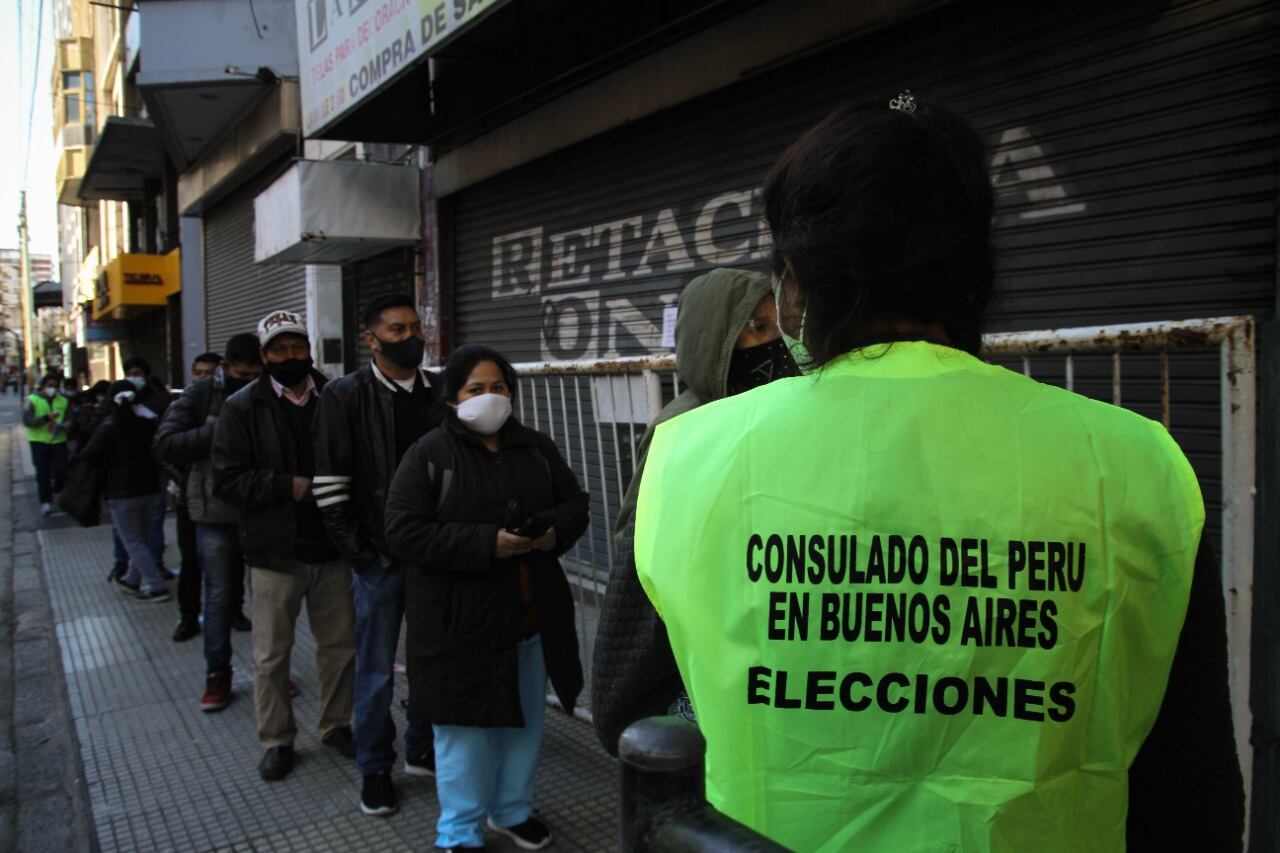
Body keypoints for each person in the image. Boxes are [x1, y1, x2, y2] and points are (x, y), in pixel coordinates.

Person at [631, 95, 1243, 851]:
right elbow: (1192, 789)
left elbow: (630, 709)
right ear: (977, 272)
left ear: (795, 286)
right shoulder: (1133, 463)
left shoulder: (689, 457)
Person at [385, 344, 589, 853]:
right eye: (475, 388)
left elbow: (575, 504)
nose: (489, 396)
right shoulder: (428, 455)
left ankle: (512, 810)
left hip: (530, 620)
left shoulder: (536, 448)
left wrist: (551, 533)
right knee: (464, 734)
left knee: (525, 725)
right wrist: (485, 543)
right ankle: (459, 830)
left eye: (498, 387)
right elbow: (403, 530)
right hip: (459, 628)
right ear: (452, 398)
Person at [592, 267, 800, 753]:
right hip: (702, 645)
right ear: (713, 339)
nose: (775, 345)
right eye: (756, 329)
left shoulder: (780, 412)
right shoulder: (683, 426)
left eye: (779, 327)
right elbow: (639, 544)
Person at [312, 294, 446, 816]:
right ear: (371, 339)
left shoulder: (440, 391)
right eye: (396, 329)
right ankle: (374, 767)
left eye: (415, 326)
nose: (411, 337)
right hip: (380, 560)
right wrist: (362, 555)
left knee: (432, 660)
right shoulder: (345, 395)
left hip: (434, 555)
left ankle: (422, 747)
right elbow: (330, 484)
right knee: (375, 671)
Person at [211, 310, 356, 781]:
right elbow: (225, 480)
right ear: (264, 355)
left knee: (339, 647)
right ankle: (277, 739)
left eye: (298, 347)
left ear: (309, 349)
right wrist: (282, 485)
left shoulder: (336, 395)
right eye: (279, 349)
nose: (290, 356)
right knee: (271, 656)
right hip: (275, 553)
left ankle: (336, 725)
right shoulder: (242, 407)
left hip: (332, 547)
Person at [156, 336, 262, 709]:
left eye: (255, 375)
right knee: (218, 595)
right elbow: (166, 443)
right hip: (215, 513)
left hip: (263, 508)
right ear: (225, 367)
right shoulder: (200, 395)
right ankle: (217, 673)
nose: (248, 382)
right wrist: (219, 427)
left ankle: (269, 671)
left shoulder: (272, 391)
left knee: (267, 597)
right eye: (241, 375)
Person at [79, 380, 170, 601]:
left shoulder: (109, 425)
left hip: (121, 492)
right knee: (142, 539)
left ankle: (157, 586)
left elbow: (89, 455)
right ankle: (132, 579)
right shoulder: (150, 422)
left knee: (133, 541)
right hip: (150, 488)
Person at [107, 357, 172, 584]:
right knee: (130, 532)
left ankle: (153, 575)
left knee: (146, 527)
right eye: (129, 373)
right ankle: (127, 570)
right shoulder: (117, 400)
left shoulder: (158, 401)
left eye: (137, 373)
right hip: (127, 479)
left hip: (150, 474)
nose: (134, 378)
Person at [23, 372, 70, 515]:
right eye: (50, 385)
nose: (52, 389)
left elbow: (70, 418)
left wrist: (66, 425)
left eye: (55, 386)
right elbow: (27, 421)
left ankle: (57, 491)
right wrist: (46, 418)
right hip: (38, 441)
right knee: (43, 473)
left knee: (61, 470)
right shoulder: (31, 400)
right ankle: (46, 501)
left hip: (58, 440)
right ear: (43, 385)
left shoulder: (63, 400)